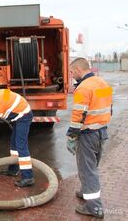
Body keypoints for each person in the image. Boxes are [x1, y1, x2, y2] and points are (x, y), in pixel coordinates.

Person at [67, 57, 112, 218]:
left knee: (88, 171)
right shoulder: (102, 83)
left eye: (72, 72)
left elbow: (78, 115)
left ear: (79, 70)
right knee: (92, 167)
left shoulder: (83, 88)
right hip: (101, 131)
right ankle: (86, 190)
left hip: (87, 134)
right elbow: (109, 106)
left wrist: (71, 136)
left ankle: (94, 208)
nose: (72, 75)